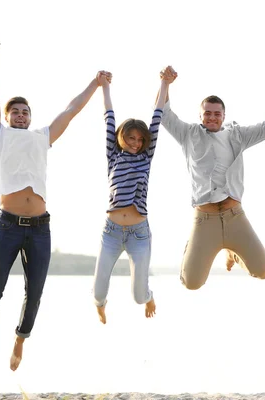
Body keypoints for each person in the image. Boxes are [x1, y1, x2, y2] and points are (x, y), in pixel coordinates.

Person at [0, 31, 103, 371]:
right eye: (14, 111)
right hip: (9, 226)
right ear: (6, 117)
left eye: (24, 111)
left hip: (41, 229)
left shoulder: (41, 137)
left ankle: (19, 340)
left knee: (35, 295)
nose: (20, 115)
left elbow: (71, 110)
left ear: (30, 117)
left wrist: (95, 82)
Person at [156, 66, 265, 290]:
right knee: (191, 283)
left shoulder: (237, 135)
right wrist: (165, 83)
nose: (212, 117)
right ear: (200, 115)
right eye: (207, 113)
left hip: (234, 215)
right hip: (204, 219)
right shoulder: (188, 134)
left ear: (224, 116)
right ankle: (197, 250)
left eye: (217, 113)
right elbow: (163, 112)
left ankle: (233, 254)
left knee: (263, 272)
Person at [91, 68, 173, 323]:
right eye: (131, 138)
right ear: (121, 139)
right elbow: (109, 117)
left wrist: (164, 83)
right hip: (111, 232)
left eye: (140, 139)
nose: (136, 143)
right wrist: (103, 86)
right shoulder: (113, 154)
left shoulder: (146, 157)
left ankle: (149, 295)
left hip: (139, 233)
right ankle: (100, 305)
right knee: (98, 292)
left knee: (139, 297)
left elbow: (157, 116)